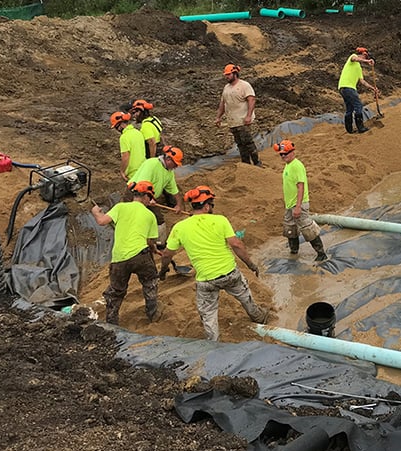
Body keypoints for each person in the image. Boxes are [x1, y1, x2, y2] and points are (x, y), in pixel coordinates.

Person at [159, 185, 270, 341]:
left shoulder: (180, 227)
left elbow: (167, 254)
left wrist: (163, 270)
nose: (212, 207)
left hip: (206, 280)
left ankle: (214, 342)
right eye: (211, 205)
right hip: (230, 273)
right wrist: (251, 265)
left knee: (209, 314)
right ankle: (258, 317)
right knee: (244, 295)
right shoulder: (220, 220)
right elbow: (237, 245)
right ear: (205, 206)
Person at [90, 180, 162, 325]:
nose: (151, 201)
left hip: (120, 259)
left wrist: (96, 212)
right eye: (151, 197)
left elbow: (102, 221)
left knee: (116, 292)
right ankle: (153, 313)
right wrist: (153, 249)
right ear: (146, 196)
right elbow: (150, 240)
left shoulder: (120, 207)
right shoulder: (150, 215)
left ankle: (112, 322)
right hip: (141, 255)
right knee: (150, 282)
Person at [273, 139, 327, 261]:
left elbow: (300, 186)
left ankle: (321, 253)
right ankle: (294, 251)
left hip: (298, 204)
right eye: (281, 154)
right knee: (290, 228)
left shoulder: (296, 166)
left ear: (292, 152)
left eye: (285, 154)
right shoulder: (288, 165)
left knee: (307, 228)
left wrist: (298, 207)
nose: (283, 156)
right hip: (290, 204)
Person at [127, 145, 185, 233]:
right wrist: (150, 199)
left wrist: (179, 204)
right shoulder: (152, 164)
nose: (176, 167)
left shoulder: (169, 172)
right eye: (175, 164)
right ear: (168, 159)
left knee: (159, 221)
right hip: (135, 194)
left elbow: (174, 190)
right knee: (131, 218)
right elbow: (142, 184)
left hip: (149, 198)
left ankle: (160, 244)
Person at [215, 64, 261, 166]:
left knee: (248, 142)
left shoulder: (244, 85)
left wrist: (248, 116)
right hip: (233, 122)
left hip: (243, 120)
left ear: (235, 73)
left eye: (229, 74)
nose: (227, 77)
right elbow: (223, 103)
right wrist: (218, 117)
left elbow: (251, 100)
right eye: (226, 75)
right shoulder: (226, 88)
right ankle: (246, 164)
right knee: (240, 144)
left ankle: (257, 162)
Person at [337, 47, 378, 134]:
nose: (365, 59)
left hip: (343, 88)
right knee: (358, 106)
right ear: (363, 54)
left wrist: (372, 88)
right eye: (365, 57)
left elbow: (362, 81)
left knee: (350, 108)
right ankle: (360, 127)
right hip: (348, 87)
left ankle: (349, 129)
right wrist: (367, 61)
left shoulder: (358, 68)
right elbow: (355, 58)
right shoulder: (353, 57)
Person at [111, 111, 146, 182]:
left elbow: (126, 157)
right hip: (144, 170)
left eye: (116, 127)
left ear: (122, 124)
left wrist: (122, 171)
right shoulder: (138, 132)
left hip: (133, 174)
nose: (117, 130)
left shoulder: (124, 137)